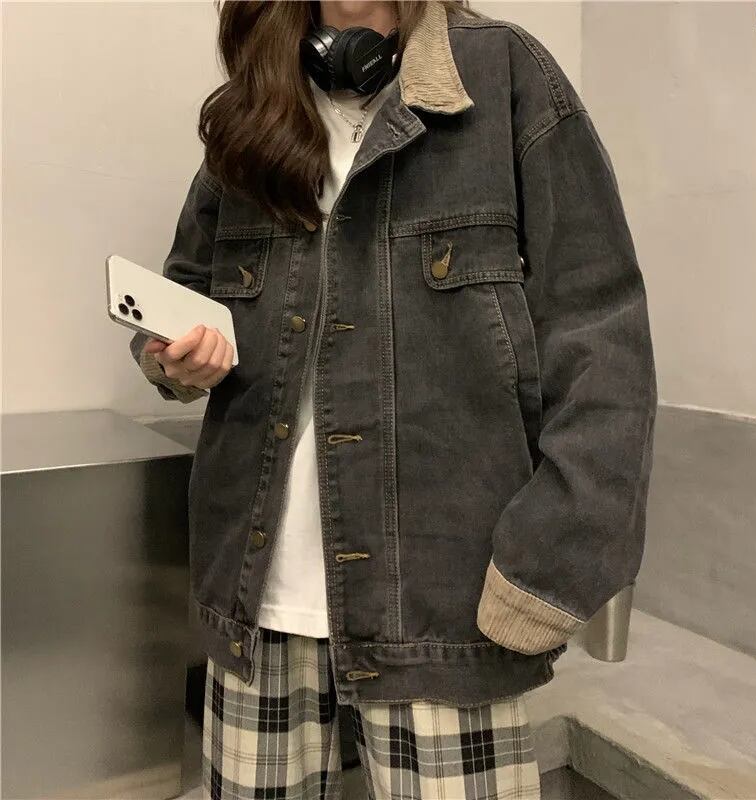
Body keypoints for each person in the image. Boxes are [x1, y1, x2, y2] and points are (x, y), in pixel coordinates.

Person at [129, 1, 658, 798]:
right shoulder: (253, 111)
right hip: (254, 605)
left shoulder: (505, 77)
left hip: (444, 611)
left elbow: (604, 345)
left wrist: (549, 567)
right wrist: (175, 358)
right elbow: (186, 295)